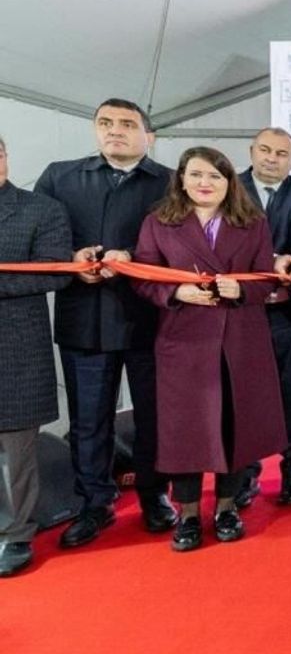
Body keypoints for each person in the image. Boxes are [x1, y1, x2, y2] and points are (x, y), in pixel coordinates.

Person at [35, 98, 178, 548]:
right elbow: (39, 241)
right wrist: (70, 258)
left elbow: (183, 247)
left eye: (127, 124)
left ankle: (155, 495)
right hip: (85, 319)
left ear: (148, 135)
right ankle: (94, 502)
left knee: (155, 416)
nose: (115, 130)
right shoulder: (60, 176)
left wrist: (133, 259)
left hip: (152, 319)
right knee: (88, 419)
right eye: (106, 122)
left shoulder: (172, 182)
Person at [131, 147, 288, 552]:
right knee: (186, 428)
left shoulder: (252, 221)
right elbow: (143, 276)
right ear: (182, 179)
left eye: (215, 176)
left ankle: (227, 507)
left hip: (240, 338)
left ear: (229, 183)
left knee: (235, 422)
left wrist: (243, 290)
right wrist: (176, 292)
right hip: (183, 339)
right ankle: (186, 513)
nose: (205, 183)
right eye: (197, 174)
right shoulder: (158, 223)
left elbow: (267, 278)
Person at [0, 135, 73, 576]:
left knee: (17, 451)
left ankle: (17, 535)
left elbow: (55, 271)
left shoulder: (40, 209)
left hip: (15, 347)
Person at [236, 127, 291, 508]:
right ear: (252, 151)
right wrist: (266, 267)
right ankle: (245, 472)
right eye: (266, 150)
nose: (272, 158)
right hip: (242, 311)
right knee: (244, 394)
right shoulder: (229, 187)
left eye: (282, 153)